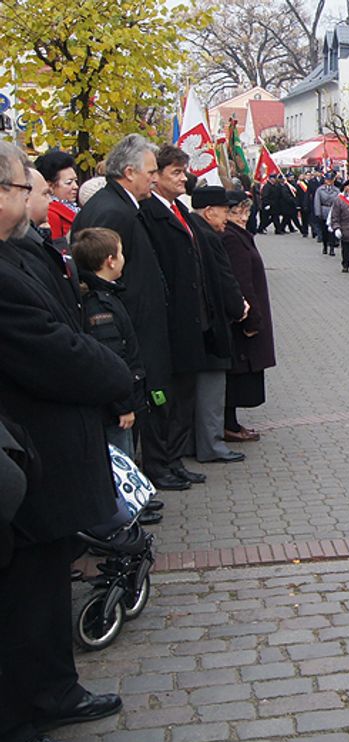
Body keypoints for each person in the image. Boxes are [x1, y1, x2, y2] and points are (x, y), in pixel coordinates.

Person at [0, 140, 132, 742]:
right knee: (20, 593)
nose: (38, 195)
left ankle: (55, 690)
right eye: (22, 187)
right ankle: (15, 723)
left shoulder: (21, 250)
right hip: (27, 446)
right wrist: (115, 375)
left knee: (45, 583)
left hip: (48, 446)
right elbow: (49, 346)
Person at [71, 135, 176, 491]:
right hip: (129, 328)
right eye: (150, 171)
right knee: (138, 409)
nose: (154, 177)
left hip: (139, 324)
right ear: (129, 172)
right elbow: (101, 271)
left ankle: (161, 465)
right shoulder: (111, 210)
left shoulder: (125, 205)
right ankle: (142, 480)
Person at [138, 144, 215, 491]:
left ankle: (176, 459)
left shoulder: (176, 209)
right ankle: (162, 463)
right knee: (166, 400)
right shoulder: (149, 212)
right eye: (176, 173)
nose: (185, 178)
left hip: (190, 317)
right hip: (171, 319)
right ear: (156, 179)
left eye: (184, 172)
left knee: (183, 396)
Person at [71, 227, 148, 462]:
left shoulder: (107, 295)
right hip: (115, 406)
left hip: (117, 400)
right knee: (120, 459)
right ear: (110, 261)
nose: (124, 259)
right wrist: (123, 405)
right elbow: (111, 357)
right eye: (121, 253)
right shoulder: (99, 305)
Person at [187, 186, 248, 464]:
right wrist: (239, 306)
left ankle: (199, 442)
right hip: (210, 325)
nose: (228, 218)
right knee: (211, 391)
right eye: (225, 212)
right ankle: (212, 445)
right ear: (209, 211)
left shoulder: (196, 229)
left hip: (200, 322)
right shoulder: (209, 237)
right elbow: (223, 277)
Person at [221, 197, 275, 441]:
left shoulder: (238, 234)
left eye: (246, 211)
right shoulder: (231, 238)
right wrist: (252, 320)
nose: (243, 217)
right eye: (236, 212)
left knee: (240, 373)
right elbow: (242, 282)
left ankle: (231, 422)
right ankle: (228, 424)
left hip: (247, 315)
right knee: (237, 374)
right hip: (242, 319)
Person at [33, 150, 79, 247]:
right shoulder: (50, 214)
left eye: (75, 181)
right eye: (69, 182)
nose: (75, 186)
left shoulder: (71, 208)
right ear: (50, 186)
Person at [313, 172, 340, 256]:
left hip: (333, 211)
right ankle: (325, 246)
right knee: (324, 231)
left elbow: (339, 202)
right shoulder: (320, 189)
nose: (329, 181)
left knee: (332, 231)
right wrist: (318, 213)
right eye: (328, 180)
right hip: (323, 211)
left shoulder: (337, 190)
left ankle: (331, 248)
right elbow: (317, 202)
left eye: (331, 180)